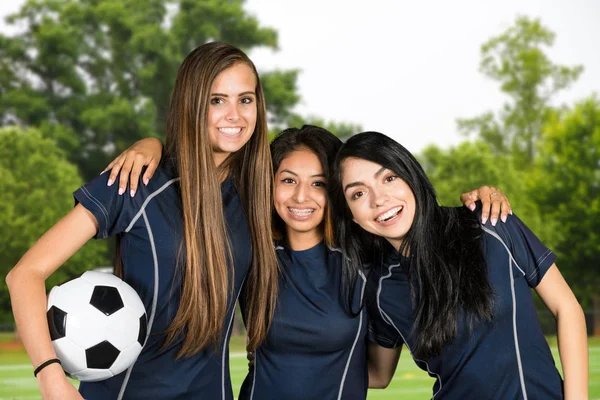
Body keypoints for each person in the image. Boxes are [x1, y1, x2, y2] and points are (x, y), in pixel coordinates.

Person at [6, 42, 279, 400]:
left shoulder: (257, 196)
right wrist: (49, 376)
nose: (235, 114)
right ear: (190, 105)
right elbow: (25, 274)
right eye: (216, 100)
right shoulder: (136, 180)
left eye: (245, 99)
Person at [330, 131, 588, 399]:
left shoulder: (490, 223)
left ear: (412, 177)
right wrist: (294, 359)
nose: (379, 199)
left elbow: (566, 307)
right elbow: (379, 375)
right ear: (352, 216)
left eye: (389, 178)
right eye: (358, 193)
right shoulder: (380, 288)